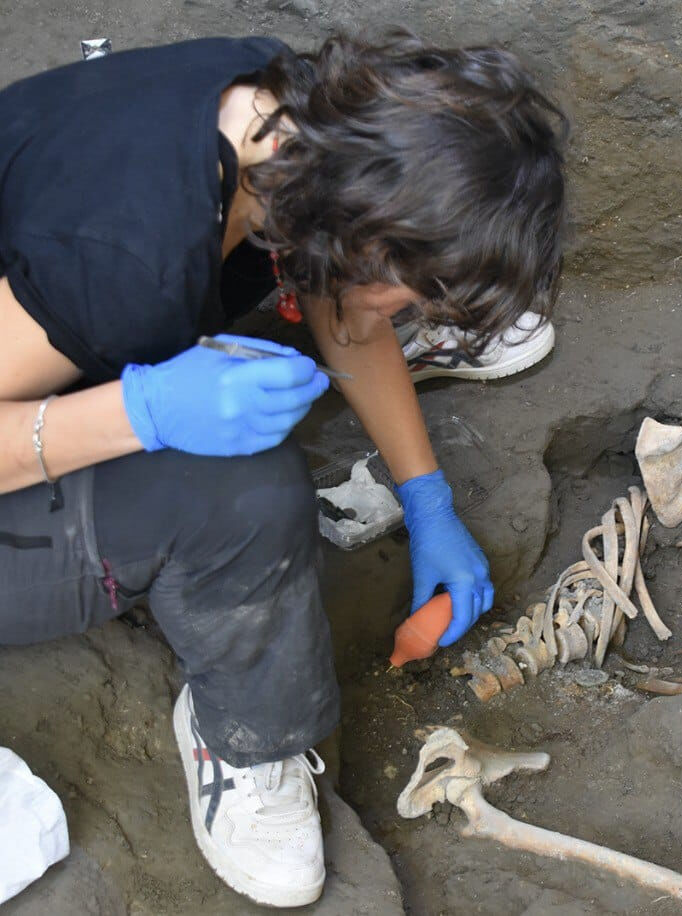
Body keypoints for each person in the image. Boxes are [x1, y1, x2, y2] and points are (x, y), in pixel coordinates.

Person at [0, 30, 566, 907]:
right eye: (415, 296)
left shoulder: (294, 122)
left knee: (251, 368)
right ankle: (245, 740)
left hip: (35, 325)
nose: (409, 316)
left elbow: (349, 308)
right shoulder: (121, 255)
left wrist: (425, 497)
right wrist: (138, 413)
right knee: (246, 490)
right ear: (368, 235)